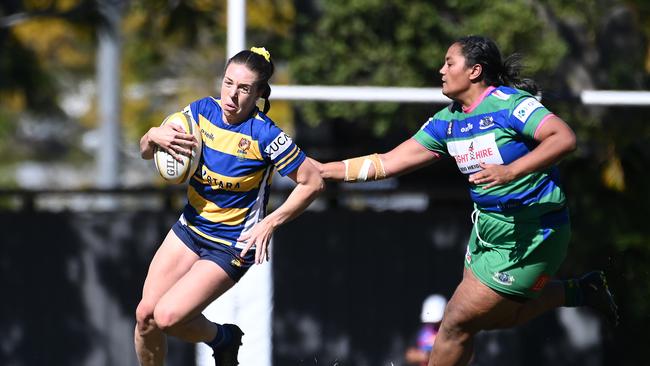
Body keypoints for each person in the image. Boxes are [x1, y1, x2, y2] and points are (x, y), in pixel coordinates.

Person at [311, 35, 618, 366]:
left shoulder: (510, 104)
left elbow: (564, 137)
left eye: (449, 62)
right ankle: (583, 291)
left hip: (532, 232)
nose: (440, 69)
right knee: (494, 319)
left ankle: (581, 291)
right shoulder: (448, 120)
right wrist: (326, 170)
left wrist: (510, 171)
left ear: (474, 71)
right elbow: (387, 162)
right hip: (487, 230)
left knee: (455, 323)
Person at [135, 47, 324, 366]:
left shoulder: (266, 135)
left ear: (259, 93)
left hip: (231, 244)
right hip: (190, 229)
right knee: (145, 317)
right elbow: (144, 152)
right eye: (227, 83)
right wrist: (153, 136)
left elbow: (313, 182)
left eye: (244, 88)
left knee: (167, 317)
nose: (232, 95)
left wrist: (272, 221)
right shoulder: (199, 112)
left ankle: (224, 338)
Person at [405, 294, 447, 366]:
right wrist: (426, 356)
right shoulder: (422, 332)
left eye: (436, 321)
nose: (433, 324)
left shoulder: (450, 333)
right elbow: (409, 355)